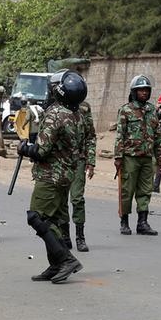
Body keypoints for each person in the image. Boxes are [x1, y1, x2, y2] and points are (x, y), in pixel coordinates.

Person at [18, 70, 86, 283]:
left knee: (37, 217)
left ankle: (66, 259)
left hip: (50, 175)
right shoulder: (77, 115)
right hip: (66, 174)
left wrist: (25, 149)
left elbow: (42, 151)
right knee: (52, 219)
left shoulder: (55, 113)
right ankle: (55, 264)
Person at [114, 74, 161, 236]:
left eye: (146, 90)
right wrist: (118, 157)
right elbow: (120, 135)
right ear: (134, 92)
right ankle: (124, 222)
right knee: (127, 190)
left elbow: (157, 136)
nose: (143, 93)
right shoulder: (126, 110)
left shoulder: (151, 110)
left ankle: (142, 222)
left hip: (147, 157)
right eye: (140, 90)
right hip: (130, 157)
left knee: (145, 190)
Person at [60, 98, 96, 252]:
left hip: (78, 160)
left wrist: (91, 161)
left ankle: (80, 237)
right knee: (61, 199)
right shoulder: (56, 106)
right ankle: (64, 236)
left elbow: (90, 136)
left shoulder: (84, 107)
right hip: (60, 161)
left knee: (77, 198)